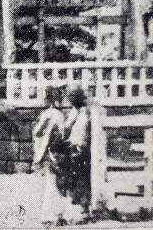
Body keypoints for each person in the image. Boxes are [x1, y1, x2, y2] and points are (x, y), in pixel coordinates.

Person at [32, 87, 68, 226]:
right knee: (55, 184)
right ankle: (54, 214)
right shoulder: (58, 115)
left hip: (46, 151)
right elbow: (60, 134)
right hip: (54, 151)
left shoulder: (46, 114)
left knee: (51, 183)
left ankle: (50, 214)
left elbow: (37, 132)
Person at [60, 88, 92, 224]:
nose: (72, 100)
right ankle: (73, 213)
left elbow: (87, 133)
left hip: (83, 151)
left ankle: (85, 213)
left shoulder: (87, 113)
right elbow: (66, 128)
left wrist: (82, 146)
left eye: (74, 97)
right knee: (71, 182)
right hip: (72, 149)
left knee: (83, 181)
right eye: (70, 97)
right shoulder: (74, 112)